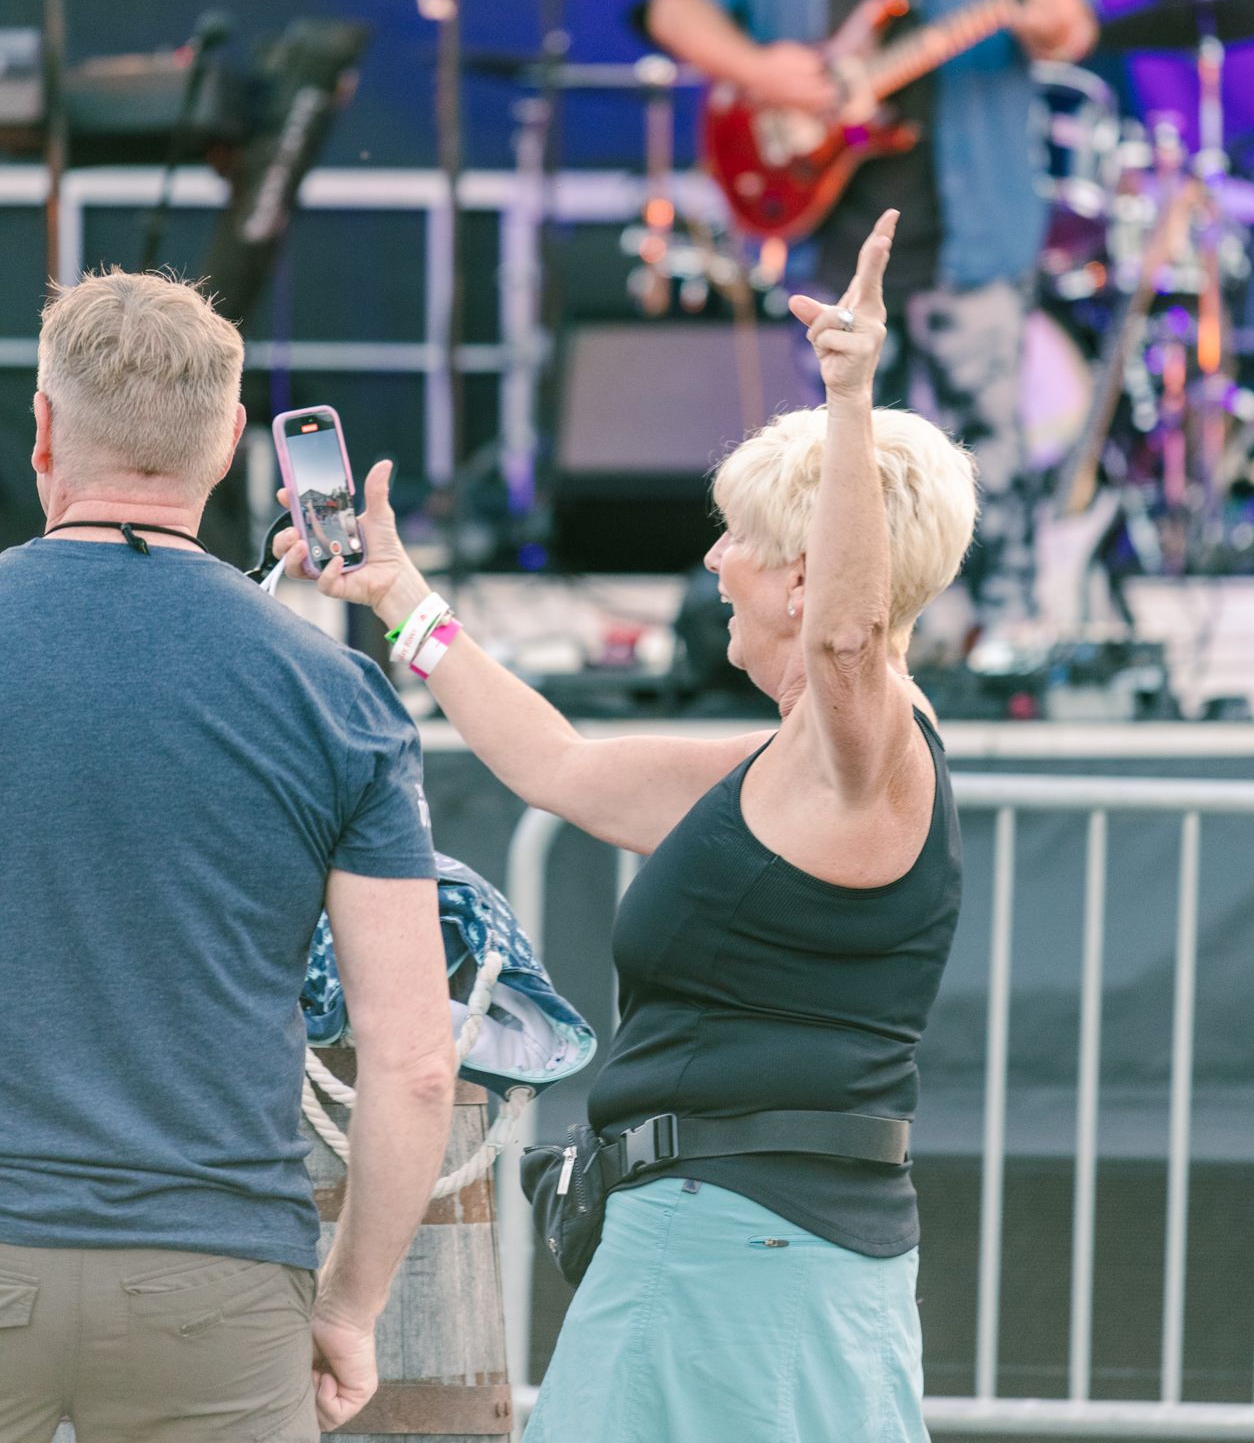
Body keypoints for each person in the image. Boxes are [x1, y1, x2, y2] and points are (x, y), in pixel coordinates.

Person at [275, 208, 978, 1443]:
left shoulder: (868, 755)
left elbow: (851, 639)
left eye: (744, 544)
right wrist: (402, 601)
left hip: (749, 1260)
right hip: (714, 1247)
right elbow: (560, 763)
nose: (712, 560)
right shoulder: (779, 767)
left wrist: (851, 398)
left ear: (811, 572)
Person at [0, 270, 455, 1443]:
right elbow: (412, 1065)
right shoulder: (336, 696)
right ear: (229, 446)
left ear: (43, 429)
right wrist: (349, 1309)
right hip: (216, 1275)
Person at [647, 0, 1098, 638]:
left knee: (992, 444)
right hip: (826, 210)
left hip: (967, 205)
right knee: (838, 453)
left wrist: (1053, 16)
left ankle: (1006, 639)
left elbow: (1073, 31)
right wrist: (769, 76)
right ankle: (855, 637)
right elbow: (675, 2)